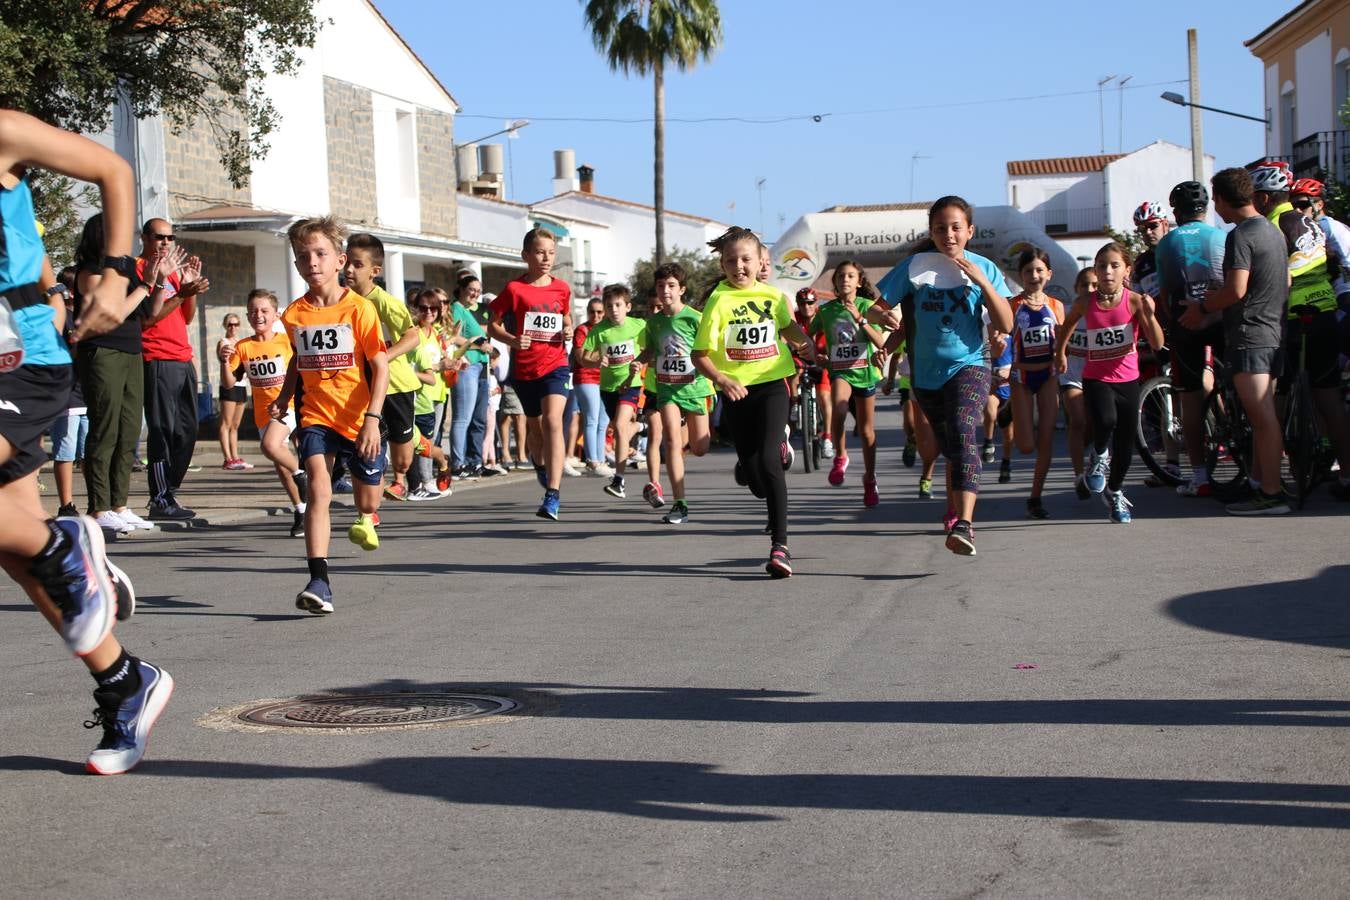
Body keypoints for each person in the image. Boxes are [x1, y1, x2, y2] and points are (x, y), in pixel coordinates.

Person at [0, 108, 173, 774]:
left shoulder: (5, 131)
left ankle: (66, 542)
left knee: (31, 544)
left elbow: (113, 169)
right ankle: (124, 680)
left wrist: (111, 269)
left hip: (23, 358)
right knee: (15, 545)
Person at [870, 197, 1014, 556]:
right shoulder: (915, 267)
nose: (948, 234)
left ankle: (965, 524)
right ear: (931, 232)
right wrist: (884, 321)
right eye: (939, 228)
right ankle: (954, 508)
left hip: (970, 365)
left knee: (964, 435)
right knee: (950, 448)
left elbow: (1006, 323)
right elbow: (876, 310)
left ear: (969, 231)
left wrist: (980, 280)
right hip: (925, 375)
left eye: (955, 227)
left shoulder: (985, 267)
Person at [273, 216, 390, 613]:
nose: (313, 262)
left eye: (321, 254)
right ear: (297, 265)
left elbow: (381, 365)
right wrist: (286, 396)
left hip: (359, 419)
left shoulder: (359, 310)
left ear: (340, 260)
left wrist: (373, 420)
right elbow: (297, 362)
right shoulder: (293, 315)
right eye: (304, 256)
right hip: (316, 415)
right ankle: (319, 581)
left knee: (369, 501)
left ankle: (368, 514)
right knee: (318, 490)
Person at [693, 225, 818, 577]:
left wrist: (802, 341)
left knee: (768, 461)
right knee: (753, 476)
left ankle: (780, 546)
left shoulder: (774, 297)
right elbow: (699, 355)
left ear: (760, 260)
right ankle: (761, 465)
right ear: (722, 265)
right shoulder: (718, 301)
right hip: (735, 392)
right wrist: (721, 378)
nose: (739, 266)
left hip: (771, 385)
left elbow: (787, 328)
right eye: (731, 261)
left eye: (746, 259)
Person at [75, 214, 174, 535]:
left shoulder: (126, 271)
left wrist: (160, 280)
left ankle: (119, 504)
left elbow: (150, 312)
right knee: (105, 428)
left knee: (129, 431)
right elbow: (113, 309)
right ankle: (99, 507)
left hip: (132, 351)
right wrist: (146, 285)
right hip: (102, 352)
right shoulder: (90, 273)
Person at [1055, 242, 1165, 523]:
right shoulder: (1085, 302)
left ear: (1126, 270)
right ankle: (1099, 455)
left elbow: (1157, 342)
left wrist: (1150, 313)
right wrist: (1061, 354)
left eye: (1114, 265)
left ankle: (1115, 493)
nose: (1107, 271)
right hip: (1096, 377)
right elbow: (1066, 328)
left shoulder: (1135, 301)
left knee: (1126, 448)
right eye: (1102, 265)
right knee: (1105, 420)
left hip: (1128, 379)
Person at [488, 227, 573, 520]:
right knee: (536, 430)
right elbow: (493, 324)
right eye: (540, 252)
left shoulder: (562, 288)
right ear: (526, 256)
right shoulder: (514, 290)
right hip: (525, 370)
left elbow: (565, 315)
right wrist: (512, 339)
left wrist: (568, 327)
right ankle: (540, 465)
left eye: (551, 252)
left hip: (556, 365)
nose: (546, 258)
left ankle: (553, 494)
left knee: (552, 421)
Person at [1279, 175, 1350, 500]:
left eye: (1305, 204)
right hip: (1323, 309)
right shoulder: (1311, 228)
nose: (1299, 209)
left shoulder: (1328, 227)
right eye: (1295, 204)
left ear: (1319, 204)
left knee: (1326, 394)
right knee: (1326, 395)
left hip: (1326, 308)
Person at [1155, 180, 1227, 498]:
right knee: (1237, 385)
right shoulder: (1222, 236)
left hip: (1186, 324)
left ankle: (1200, 477)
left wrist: (1172, 323)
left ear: (1176, 211)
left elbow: (1165, 292)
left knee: (1191, 401)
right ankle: (1255, 467)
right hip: (1222, 318)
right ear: (1207, 207)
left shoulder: (1167, 242)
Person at [220, 289, 307, 537]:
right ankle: (301, 508)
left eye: (264, 311)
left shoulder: (286, 341)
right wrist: (225, 362)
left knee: (270, 446)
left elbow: (301, 369)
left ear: (276, 315)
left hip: (287, 406)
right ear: (248, 316)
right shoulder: (243, 347)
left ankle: (303, 474)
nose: (259, 315)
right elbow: (229, 383)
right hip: (262, 413)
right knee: (281, 465)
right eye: (254, 311)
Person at [138, 217, 208, 520]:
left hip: (182, 358)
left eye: (170, 237)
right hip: (157, 358)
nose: (165, 243)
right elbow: (148, 319)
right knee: (162, 431)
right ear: (145, 238)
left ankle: (170, 491)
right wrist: (178, 291)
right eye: (159, 237)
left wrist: (188, 287)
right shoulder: (140, 270)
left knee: (187, 430)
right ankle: (160, 497)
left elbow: (186, 317)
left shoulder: (173, 274)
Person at [343, 234, 420, 502]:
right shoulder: (343, 302)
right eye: (347, 263)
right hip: (363, 387)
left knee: (403, 460)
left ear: (375, 271)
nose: (349, 270)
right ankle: (369, 509)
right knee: (365, 449)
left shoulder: (385, 302)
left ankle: (416, 452)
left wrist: (383, 357)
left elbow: (413, 337)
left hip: (397, 386)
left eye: (357, 264)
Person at [811, 259, 887, 506]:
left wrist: (862, 319)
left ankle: (870, 478)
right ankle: (840, 457)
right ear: (834, 281)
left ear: (859, 282)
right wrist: (816, 355)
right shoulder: (826, 310)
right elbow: (807, 336)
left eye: (850, 276)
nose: (845, 279)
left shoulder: (867, 305)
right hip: (840, 371)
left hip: (864, 373)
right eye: (841, 276)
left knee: (866, 432)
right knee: (839, 410)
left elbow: (881, 343)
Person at [643, 262, 714, 524]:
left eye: (671, 286)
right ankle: (679, 504)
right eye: (661, 286)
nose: (665, 291)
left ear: (682, 289)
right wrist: (638, 361)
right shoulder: (654, 323)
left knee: (700, 448)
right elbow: (650, 350)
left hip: (696, 388)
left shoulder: (695, 318)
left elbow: (709, 351)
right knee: (671, 440)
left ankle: (691, 428)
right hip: (667, 388)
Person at [1008, 248, 1065, 518]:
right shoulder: (1013, 304)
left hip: (1048, 376)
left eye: (1040, 270)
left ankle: (1035, 497)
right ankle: (1013, 415)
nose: (1034, 275)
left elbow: (1063, 340)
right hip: (1021, 377)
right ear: (1020, 275)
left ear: (1049, 274)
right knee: (1026, 445)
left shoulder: (1056, 306)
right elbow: (999, 336)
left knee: (1046, 440)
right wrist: (998, 347)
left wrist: (1063, 356)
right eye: (1029, 271)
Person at [580, 283, 646, 500]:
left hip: (631, 384)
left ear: (628, 306)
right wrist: (596, 360)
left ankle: (619, 479)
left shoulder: (638, 326)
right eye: (609, 306)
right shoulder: (599, 331)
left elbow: (651, 348)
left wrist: (641, 363)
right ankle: (641, 426)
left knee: (619, 426)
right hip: (608, 388)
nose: (613, 310)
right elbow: (582, 357)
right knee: (619, 428)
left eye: (618, 305)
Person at [407, 289, 454, 500]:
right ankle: (422, 482)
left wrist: (450, 364)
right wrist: (437, 366)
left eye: (434, 308)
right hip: (419, 393)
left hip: (438, 391)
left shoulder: (434, 333)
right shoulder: (413, 333)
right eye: (424, 307)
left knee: (431, 438)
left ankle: (426, 480)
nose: (429, 312)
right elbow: (409, 366)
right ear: (416, 308)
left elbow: (437, 362)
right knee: (421, 441)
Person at [46, 276, 87, 518]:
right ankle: (66, 504)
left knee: (89, 452)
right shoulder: (59, 318)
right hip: (67, 395)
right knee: (66, 452)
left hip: (86, 393)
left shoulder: (86, 315)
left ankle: (98, 503)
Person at [447, 274, 492, 478]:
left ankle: (472, 462)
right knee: (462, 418)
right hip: (467, 365)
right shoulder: (456, 308)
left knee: (476, 418)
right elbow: (452, 336)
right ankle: (457, 463)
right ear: (462, 289)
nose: (475, 293)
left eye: (478, 290)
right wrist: (477, 344)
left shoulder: (466, 310)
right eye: (472, 289)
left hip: (480, 366)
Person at [1059, 267, 1095, 498]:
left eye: (1094, 285)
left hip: (1096, 376)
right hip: (1071, 376)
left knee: (1093, 426)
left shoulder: (1102, 313)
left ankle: (1086, 455)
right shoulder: (1067, 312)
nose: (1090, 290)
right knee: (1077, 421)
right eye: (1085, 285)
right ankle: (1079, 475)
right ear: (1076, 288)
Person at [571, 298, 612, 477]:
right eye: (592, 312)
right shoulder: (582, 330)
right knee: (591, 419)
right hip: (586, 378)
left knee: (603, 422)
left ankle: (600, 459)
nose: (595, 315)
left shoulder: (608, 329)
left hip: (604, 379)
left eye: (599, 312)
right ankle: (592, 460)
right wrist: (598, 356)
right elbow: (581, 356)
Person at [216, 311, 252, 471]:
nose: (233, 327)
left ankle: (235, 456)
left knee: (235, 424)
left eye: (236, 324)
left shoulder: (240, 343)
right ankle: (227, 458)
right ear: (225, 325)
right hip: (229, 386)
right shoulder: (223, 342)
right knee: (226, 423)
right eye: (230, 324)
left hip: (241, 385)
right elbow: (223, 359)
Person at [1131, 201, 1170, 299]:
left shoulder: (1179, 250)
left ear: (1165, 225)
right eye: (1143, 229)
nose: (1148, 232)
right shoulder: (1139, 263)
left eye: (1153, 226)